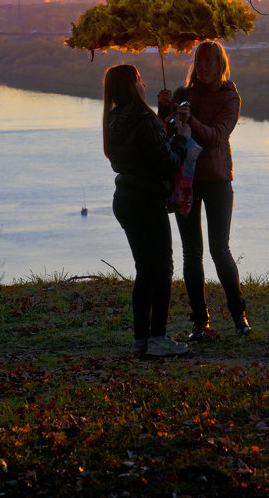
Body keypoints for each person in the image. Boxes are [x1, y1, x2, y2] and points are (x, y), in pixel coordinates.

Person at [158, 40, 251, 342]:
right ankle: (199, 321)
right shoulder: (183, 94)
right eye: (199, 60)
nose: (203, 65)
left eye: (209, 60)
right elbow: (166, 133)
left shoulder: (230, 97)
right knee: (191, 252)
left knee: (219, 249)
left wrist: (190, 119)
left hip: (217, 179)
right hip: (185, 179)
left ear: (220, 64)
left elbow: (216, 136)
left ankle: (239, 316)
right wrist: (165, 109)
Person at [103, 64, 190, 357]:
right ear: (133, 85)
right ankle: (158, 338)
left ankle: (141, 339)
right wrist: (180, 137)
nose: (143, 82)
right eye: (140, 79)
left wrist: (163, 118)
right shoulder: (143, 120)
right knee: (162, 268)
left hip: (125, 199)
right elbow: (168, 163)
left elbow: (138, 154)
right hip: (147, 202)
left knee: (144, 270)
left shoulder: (114, 120)